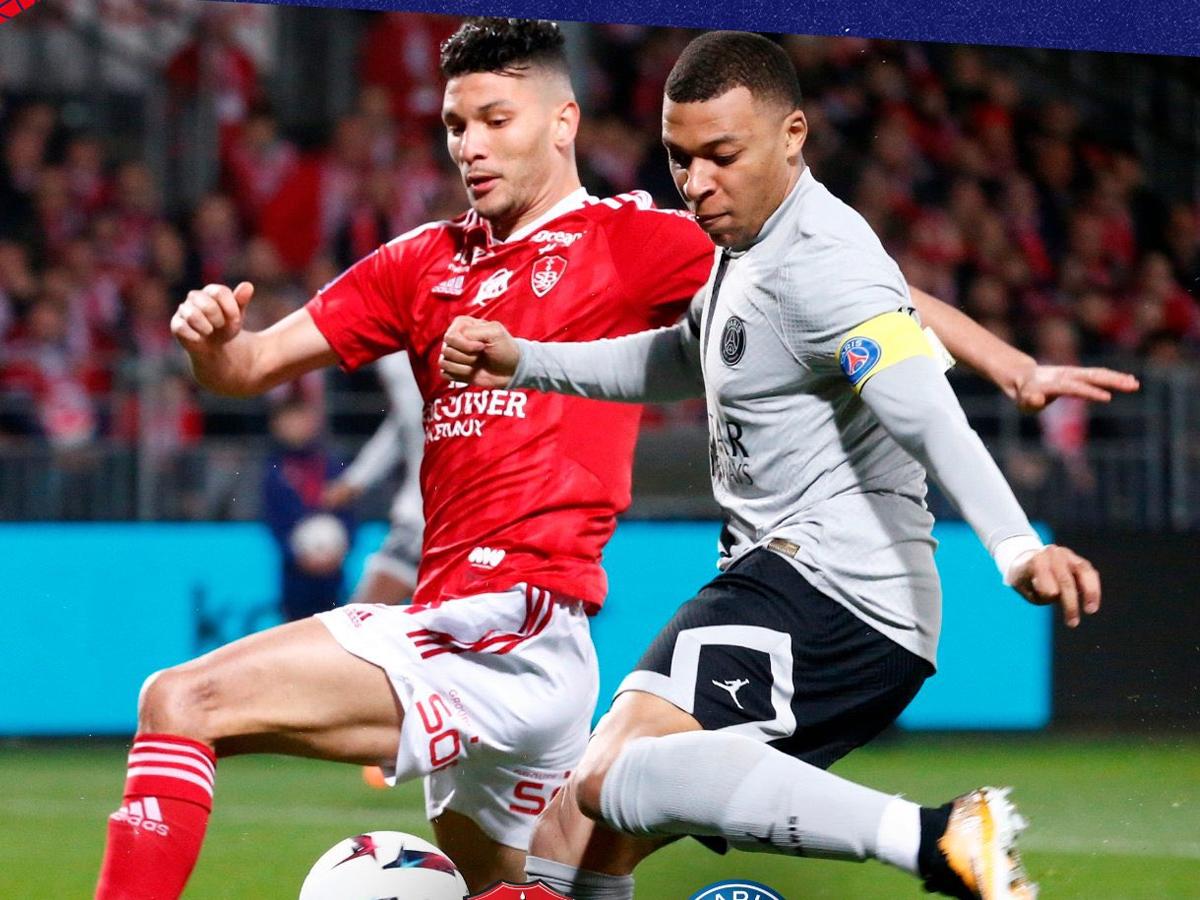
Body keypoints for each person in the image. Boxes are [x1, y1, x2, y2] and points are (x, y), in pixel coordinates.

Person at [94, 19, 1132, 899]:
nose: (471, 146)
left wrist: (1010, 367)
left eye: (496, 120)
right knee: (558, 872)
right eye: (455, 125)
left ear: (563, 122)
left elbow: (869, 299)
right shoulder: (418, 265)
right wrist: (214, 345)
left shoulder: (635, 240)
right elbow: (252, 367)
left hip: (511, 623)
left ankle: (930, 839)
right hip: (492, 621)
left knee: (178, 702)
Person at [439, 31, 1117, 900]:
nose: (696, 183)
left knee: (609, 774)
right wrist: (525, 360)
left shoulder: (824, 265)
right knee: (576, 839)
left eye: (722, 156)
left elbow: (922, 410)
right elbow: (680, 357)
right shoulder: (748, 243)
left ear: (793, 134)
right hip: (798, 585)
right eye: (680, 158)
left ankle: (938, 837)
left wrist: (1016, 547)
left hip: (832, 587)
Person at [321, 351, 425, 606]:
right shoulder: (397, 357)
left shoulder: (400, 360)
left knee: (363, 616)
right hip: (427, 514)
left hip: (432, 516)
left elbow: (412, 414)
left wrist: (356, 479)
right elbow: (404, 422)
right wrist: (356, 479)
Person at [261, 396, 353, 622]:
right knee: (296, 630)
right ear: (276, 425)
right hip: (295, 576)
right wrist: (297, 556)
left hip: (332, 572)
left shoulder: (332, 463)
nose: (295, 427)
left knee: (336, 629)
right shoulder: (274, 470)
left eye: (300, 420)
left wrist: (341, 551)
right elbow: (274, 521)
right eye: (289, 421)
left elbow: (349, 514)